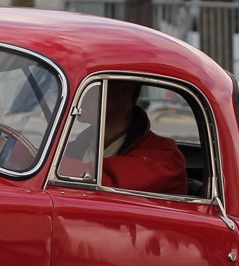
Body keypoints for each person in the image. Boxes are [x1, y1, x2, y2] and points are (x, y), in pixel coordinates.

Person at [58, 79, 188, 194]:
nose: (79, 96)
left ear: (124, 91)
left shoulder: (166, 160)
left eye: (92, 86)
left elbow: (100, 183)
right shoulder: (84, 142)